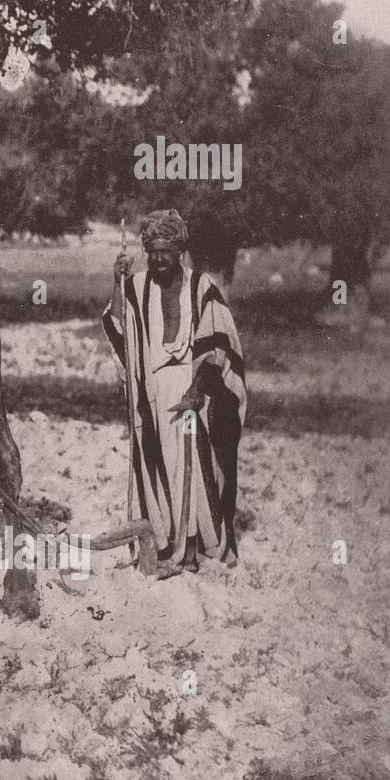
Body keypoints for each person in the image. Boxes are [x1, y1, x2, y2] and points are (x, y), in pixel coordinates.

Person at [102, 210, 247, 573]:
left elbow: (218, 343)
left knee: (194, 470)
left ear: (180, 250)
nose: (158, 259)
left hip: (193, 389)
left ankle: (194, 549)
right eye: (152, 251)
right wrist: (115, 281)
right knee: (156, 465)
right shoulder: (136, 285)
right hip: (151, 393)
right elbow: (119, 326)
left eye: (166, 251)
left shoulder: (201, 287)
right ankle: (164, 545)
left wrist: (196, 392)